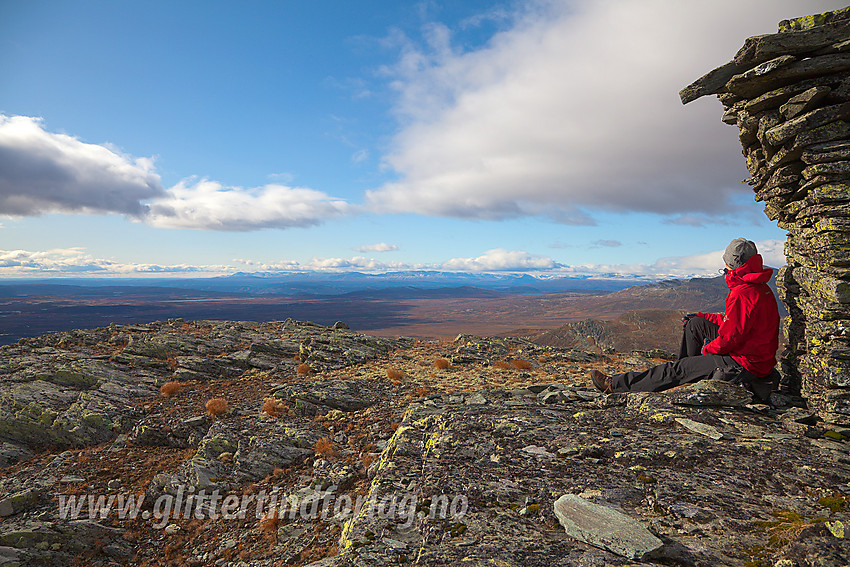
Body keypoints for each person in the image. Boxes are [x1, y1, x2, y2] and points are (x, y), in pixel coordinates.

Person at [590, 238, 780, 401]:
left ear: (734, 265)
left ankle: (615, 385)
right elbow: (736, 323)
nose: (725, 271)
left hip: (745, 363)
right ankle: (690, 377)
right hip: (754, 355)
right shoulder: (759, 286)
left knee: (678, 368)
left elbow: (730, 339)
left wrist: (708, 349)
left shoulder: (743, 292)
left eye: (726, 267)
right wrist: (702, 317)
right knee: (694, 324)